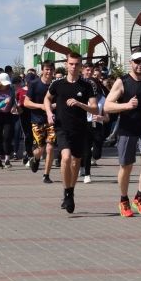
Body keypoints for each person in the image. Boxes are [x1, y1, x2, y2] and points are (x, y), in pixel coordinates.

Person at [105, 50, 141, 219]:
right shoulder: (122, 82)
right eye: (137, 62)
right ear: (131, 62)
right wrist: (126, 106)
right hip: (127, 129)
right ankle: (123, 200)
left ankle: (139, 197)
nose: (140, 65)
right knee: (126, 167)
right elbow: (107, 106)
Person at [44, 52, 98, 214]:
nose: (74, 67)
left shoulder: (87, 85)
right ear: (66, 64)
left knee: (75, 163)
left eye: (77, 64)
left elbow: (95, 108)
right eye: (71, 64)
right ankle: (67, 192)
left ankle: (70, 191)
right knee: (66, 158)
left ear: (81, 66)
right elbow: (47, 99)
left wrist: (80, 104)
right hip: (61, 128)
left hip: (80, 129)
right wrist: (48, 113)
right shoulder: (57, 84)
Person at [23, 61, 56, 183]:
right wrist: (41, 106)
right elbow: (26, 102)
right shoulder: (34, 84)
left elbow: (61, 101)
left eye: (51, 70)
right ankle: (35, 159)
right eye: (47, 69)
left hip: (52, 120)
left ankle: (46, 175)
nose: (49, 72)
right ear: (42, 70)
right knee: (39, 150)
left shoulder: (55, 85)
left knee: (50, 148)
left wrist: (52, 106)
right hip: (37, 121)